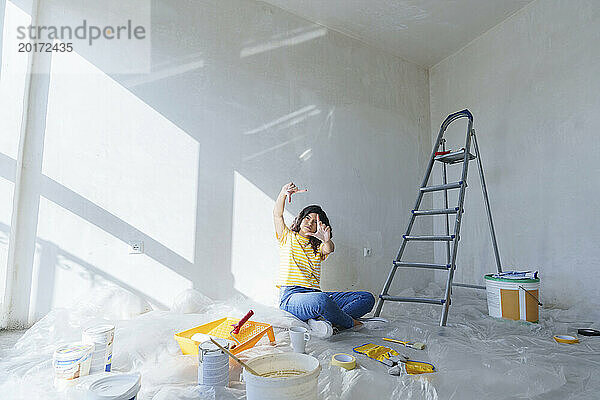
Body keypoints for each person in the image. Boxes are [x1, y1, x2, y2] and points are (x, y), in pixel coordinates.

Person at [273, 182, 376, 338]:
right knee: (322, 300)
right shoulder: (287, 237)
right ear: (300, 220)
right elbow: (277, 215)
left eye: (315, 222)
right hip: (292, 298)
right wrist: (283, 193)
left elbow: (329, 249)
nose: (309, 223)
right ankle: (347, 323)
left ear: (319, 227)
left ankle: (327, 321)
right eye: (307, 218)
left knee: (367, 298)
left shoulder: (318, 246)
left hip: (314, 294)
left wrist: (326, 240)